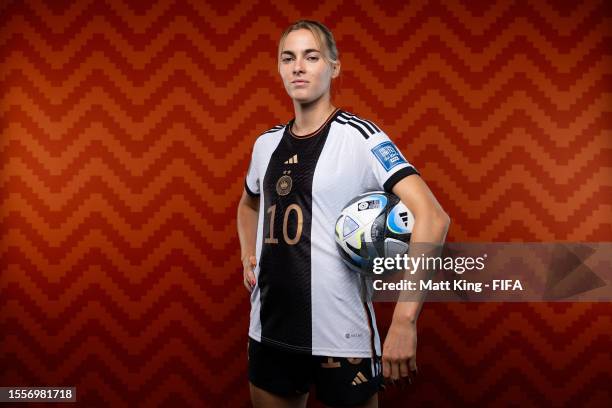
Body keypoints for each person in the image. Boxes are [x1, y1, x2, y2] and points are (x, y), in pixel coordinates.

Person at [236, 20, 450, 408]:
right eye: (289, 58)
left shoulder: (361, 137)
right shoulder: (265, 145)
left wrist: (404, 321)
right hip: (268, 330)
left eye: (311, 56)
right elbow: (249, 202)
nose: (298, 67)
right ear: (280, 68)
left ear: (334, 66)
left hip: (342, 337)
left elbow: (433, 217)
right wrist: (245, 254)